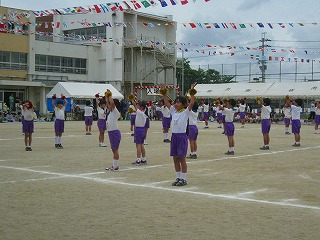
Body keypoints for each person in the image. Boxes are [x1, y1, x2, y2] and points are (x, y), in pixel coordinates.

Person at [161, 83, 196, 187]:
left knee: (182, 158)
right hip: (174, 137)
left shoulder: (185, 112)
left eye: (178, 103)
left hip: (182, 137)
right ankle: (178, 177)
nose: (176, 104)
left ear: (184, 104)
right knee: (175, 158)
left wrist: (192, 91)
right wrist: (163, 92)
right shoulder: (173, 112)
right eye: (175, 102)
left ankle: (183, 179)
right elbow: (167, 102)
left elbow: (192, 103)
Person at [105, 90, 122, 171]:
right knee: (113, 149)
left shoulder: (116, 112)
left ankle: (115, 166)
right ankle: (115, 165)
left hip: (114, 133)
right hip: (112, 133)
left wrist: (110, 95)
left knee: (115, 150)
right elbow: (109, 104)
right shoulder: (111, 112)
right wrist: (106, 97)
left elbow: (111, 103)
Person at [130, 96, 148, 165]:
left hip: (139, 130)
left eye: (139, 106)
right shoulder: (142, 113)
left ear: (142, 107)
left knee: (138, 145)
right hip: (142, 129)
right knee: (141, 145)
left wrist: (132, 99)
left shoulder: (140, 112)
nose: (137, 106)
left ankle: (138, 159)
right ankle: (143, 158)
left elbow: (135, 105)